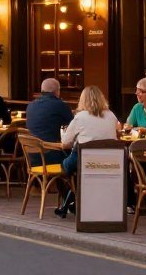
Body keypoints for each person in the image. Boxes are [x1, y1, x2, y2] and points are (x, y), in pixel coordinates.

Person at [54, 85, 119, 218]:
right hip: (109, 164)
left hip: (86, 162)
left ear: (82, 100)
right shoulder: (111, 116)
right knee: (77, 169)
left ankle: (71, 201)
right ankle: (72, 202)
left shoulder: (80, 117)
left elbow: (65, 143)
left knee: (66, 167)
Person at [25, 77, 74, 166]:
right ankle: (69, 180)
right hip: (52, 155)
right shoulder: (60, 105)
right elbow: (74, 125)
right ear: (57, 91)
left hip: (32, 158)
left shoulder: (30, 106)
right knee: (76, 157)